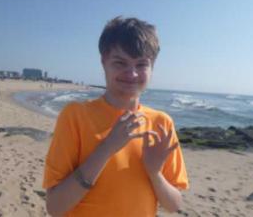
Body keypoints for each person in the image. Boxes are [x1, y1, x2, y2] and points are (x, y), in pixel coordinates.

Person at [43, 17, 189, 216]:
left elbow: (174, 205)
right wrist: (106, 148)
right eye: (120, 63)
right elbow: (55, 207)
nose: (132, 74)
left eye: (141, 65)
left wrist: (155, 173)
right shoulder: (75, 116)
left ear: (152, 66)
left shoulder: (161, 123)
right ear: (104, 61)